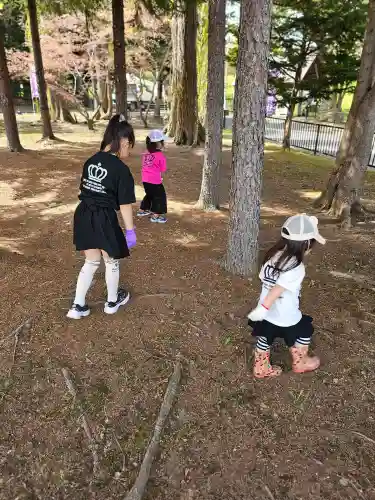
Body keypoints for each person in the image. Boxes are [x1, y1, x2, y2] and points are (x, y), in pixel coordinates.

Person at [67, 114, 137, 319]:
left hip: (83, 214)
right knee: (111, 260)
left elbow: (86, 189)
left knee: (91, 261)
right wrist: (130, 231)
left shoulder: (91, 161)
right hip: (104, 217)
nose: (129, 149)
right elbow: (124, 204)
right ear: (122, 141)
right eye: (129, 144)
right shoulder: (121, 170)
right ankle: (112, 303)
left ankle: (78, 306)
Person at [247, 214, 326, 379]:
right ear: (305, 244)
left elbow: (264, 279)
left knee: (265, 336)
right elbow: (277, 289)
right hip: (285, 314)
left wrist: (263, 309)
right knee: (304, 330)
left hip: (267, 315)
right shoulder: (296, 267)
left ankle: (261, 367)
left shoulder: (272, 256)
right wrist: (264, 307)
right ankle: (300, 362)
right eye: (312, 243)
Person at [137, 130, 167, 223]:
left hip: (145, 180)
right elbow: (163, 169)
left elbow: (144, 165)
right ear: (158, 144)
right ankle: (155, 216)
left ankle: (142, 210)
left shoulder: (145, 153)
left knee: (149, 195)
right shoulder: (160, 155)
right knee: (160, 196)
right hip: (155, 181)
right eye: (162, 142)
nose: (163, 143)